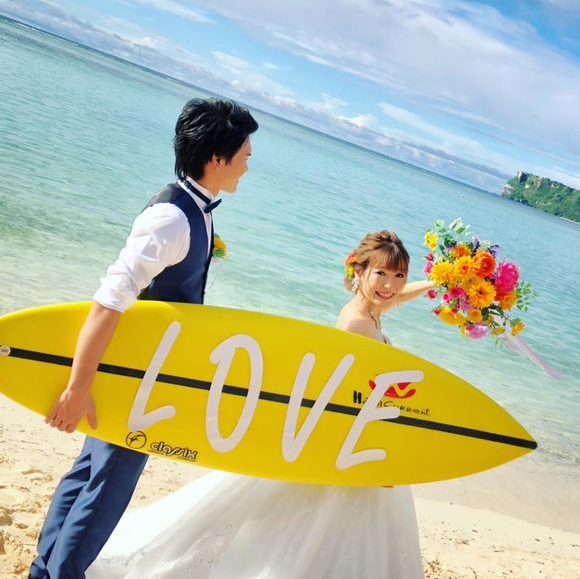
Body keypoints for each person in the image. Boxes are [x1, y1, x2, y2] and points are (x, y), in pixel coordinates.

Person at [86, 230, 432, 579]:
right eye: (381, 273)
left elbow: (395, 298)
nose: (390, 285)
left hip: (360, 434)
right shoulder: (356, 324)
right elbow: (338, 394)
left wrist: (434, 283)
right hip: (347, 439)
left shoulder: (370, 311)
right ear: (359, 272)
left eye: (399, 275)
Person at [29, 98, 259, 579]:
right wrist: (78, 388)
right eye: (244, 154)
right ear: (217, 158)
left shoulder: (194, 208)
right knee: (107, 487)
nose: (248, 163)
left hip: (140, 370)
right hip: (136, 377)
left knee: (90, 475)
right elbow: (107, 302)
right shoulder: (172, 219)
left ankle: (44, 571)